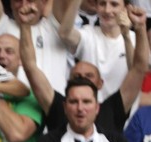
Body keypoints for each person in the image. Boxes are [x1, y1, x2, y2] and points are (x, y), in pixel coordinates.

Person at [19, 2, 148, 134]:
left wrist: (136, 29)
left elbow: (137, 70)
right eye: (77, 77)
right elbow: (30, 66)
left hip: (122, 119)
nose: (108, 10)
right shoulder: (61, 109)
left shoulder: (111, 112)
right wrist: (24, 26)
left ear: (100, 84)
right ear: (68, 82)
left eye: (88, 77)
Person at [58, 0, 136, 102]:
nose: (107, 10)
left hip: (123, 111)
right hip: (89, 111)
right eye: (102, 4)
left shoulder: (135, 38)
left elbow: (136, 72)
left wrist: (126, 37)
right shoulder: (88, 34)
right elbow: (64, 33)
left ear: (126, 8)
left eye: (114, 4)